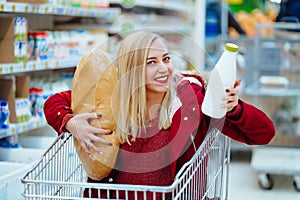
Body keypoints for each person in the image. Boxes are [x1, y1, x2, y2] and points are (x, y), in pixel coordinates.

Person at [44, 30, 275, 199]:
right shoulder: (111, 93)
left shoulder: (192, 101)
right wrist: (71, 122)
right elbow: (55, 102)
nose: (164, 68)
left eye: (166, 59)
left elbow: (263, 133)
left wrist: (234, 109)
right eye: (151, 63)